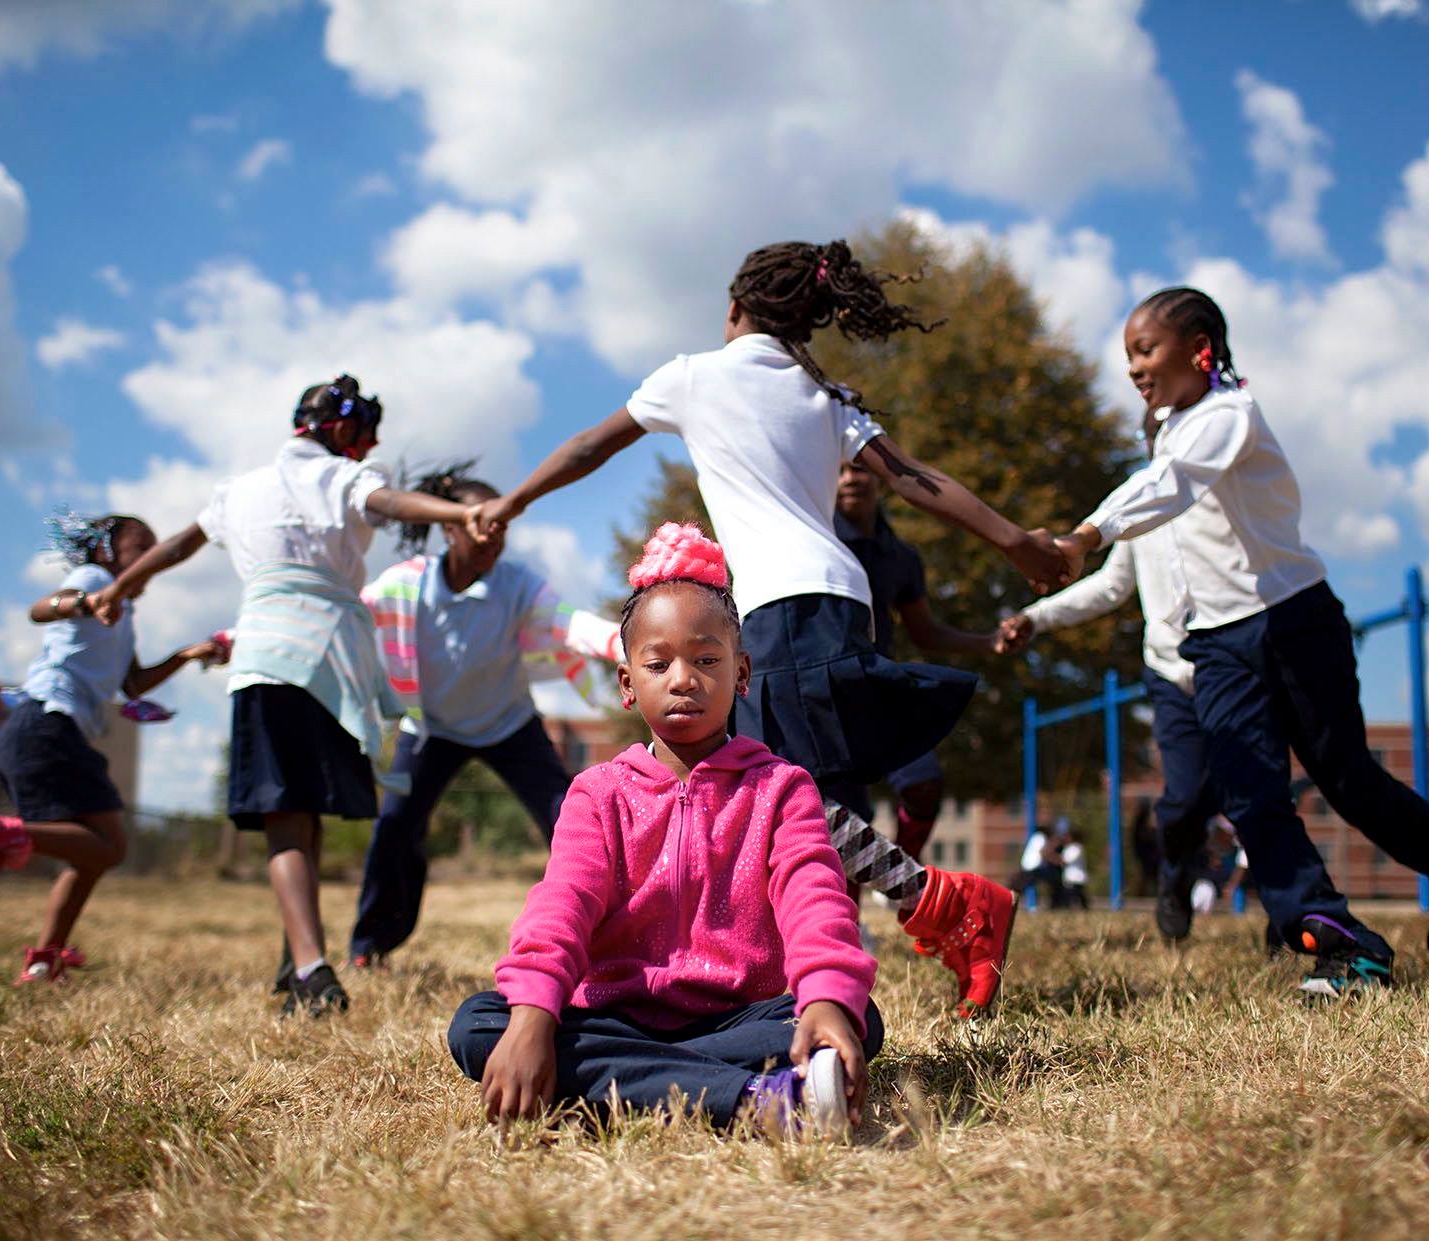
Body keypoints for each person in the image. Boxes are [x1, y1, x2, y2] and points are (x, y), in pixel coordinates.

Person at [464, 240, 1074, 1015]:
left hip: (778, 609)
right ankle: (876, 937)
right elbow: (918, 480)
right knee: (796, 793)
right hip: (843, 604)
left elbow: (590, 445)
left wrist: (511, 501)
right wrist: (1016, 540)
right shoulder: (828, 395)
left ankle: (949, 907)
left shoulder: (693, 376)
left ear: (733, 308)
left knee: (760, 788)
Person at [1048, 288, 1429, 997]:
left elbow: (1170, 484)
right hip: (1217, 643)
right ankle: (1337, 940)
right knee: (1246, 792)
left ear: (1200, 345)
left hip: (1293, 619)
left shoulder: (1230, 415)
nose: (1134, 367)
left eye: (1146, 349)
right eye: (1128, 356)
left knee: (1345, 776)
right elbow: (1159, 488)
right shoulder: (1168, 432)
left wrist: (1085, 533)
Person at [449, 525, 879, 1136]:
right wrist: (534, 1017)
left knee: (857, 1016)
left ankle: (625, 1086)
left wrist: (828, 998)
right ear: (628, 683)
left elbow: (814, 893)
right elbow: (563, 902)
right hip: (616, 1016)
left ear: (743, 673)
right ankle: (758, 1098)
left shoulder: (783, 788)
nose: (684, 679)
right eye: (659, 663)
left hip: (743, 1018)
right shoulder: (598, 794)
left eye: (707, 660)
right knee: (483, 1025)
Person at [88, 375, 480, 1017]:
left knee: (288, 816)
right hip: (331, 658)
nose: (367, 448)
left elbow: (180, 544)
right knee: (301, 815)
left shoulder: (239, 490)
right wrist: (461, 514)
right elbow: (395, 503)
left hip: (270, 654)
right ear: (345, 432)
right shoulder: (344, 480)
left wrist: (120, 586)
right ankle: (310, 967)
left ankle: (299, 958)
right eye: (365, 435)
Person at [348, 462, 623, 968]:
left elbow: (569, 624)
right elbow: (345, 615)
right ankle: (369, 946)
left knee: (569, 817)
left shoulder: (517, 584)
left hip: (509, 724)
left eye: (503, 527)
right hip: (431, 729)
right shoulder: (406, 585)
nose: (495, 538)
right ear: (450, 527)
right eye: (483, 526)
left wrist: (627, 643)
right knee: (394, 826)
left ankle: (610, 936)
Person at [0, 511, 228, 984]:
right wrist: (87, 601)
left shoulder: (125, 613)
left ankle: (44, 959)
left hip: (47, 731)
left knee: (95, 853)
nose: (152, 562)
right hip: (44, 723)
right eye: (142, 549)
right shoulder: (93, 578)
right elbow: (40, 609)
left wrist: (188, 654)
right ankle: (2, 833)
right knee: (108, 846)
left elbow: (134, 683)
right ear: (106, 551)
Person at [1001, 405, 1222, 943]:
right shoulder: (1136, 508)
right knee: (1186, 796)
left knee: (1251, 789)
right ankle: (1174, 879)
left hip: (1231, 661)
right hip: (1169, 669)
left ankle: (1294, 913)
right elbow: (1109, 587)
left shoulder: (1223, 491)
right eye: (1157, 436)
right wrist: (1037, 615)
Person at [828, 457, 1027, 862]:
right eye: (841, 470)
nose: (851, 479)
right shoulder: (816, 540)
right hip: (825, 692)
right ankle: (848, 921)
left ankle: (905, 874)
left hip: (878, 686)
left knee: (924, 784)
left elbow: (925, 631)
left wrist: (988, 642)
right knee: (842, 820)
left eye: (860, 469)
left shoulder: (899, 556)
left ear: (879, 479)